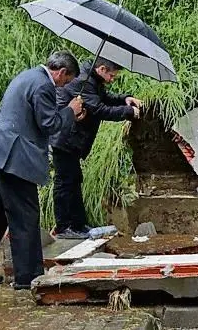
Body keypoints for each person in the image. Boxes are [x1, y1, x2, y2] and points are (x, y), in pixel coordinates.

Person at [0, 52, 85, 289]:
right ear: (61, 72)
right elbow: (49, 124)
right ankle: (28, 276)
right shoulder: (44, 86)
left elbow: (2, 114)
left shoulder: (26, 76)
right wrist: (70, 111)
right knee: (25, 216)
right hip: (17, 160)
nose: (63, 86)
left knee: (0, 215)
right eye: (66, 81)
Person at [50, 58, 142, 239]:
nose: (112, 79)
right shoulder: (82, 81)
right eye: (112, 75)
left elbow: (105, 99)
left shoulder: (93, 81)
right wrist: (128, 112)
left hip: (73, 140)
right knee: (65, 183)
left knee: (74, 181)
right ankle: (64, 226)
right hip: (65, 138)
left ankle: (78, 225)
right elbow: (99, 109)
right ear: (101, 69)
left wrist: (125, 99)